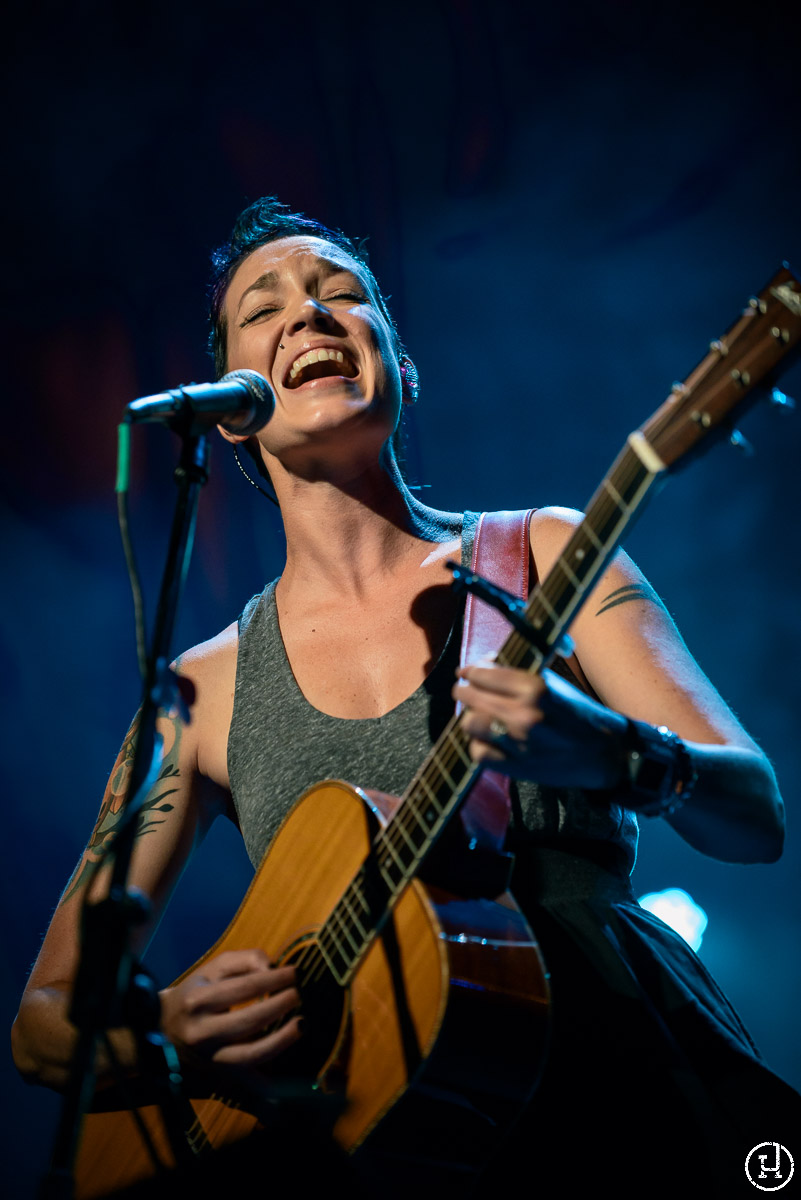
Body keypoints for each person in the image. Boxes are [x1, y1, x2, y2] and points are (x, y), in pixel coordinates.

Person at [12, 198, 799, 1197]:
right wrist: (170, 1028)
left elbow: (755, 816)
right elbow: (45, 1024)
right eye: (267, 307)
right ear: (231, 406)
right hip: (385, 1149)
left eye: (343, 294)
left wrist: (614, 756)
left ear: (400, 365)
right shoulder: (201, 689)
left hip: (620, 1078)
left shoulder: (546, 553)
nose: (309, 314)